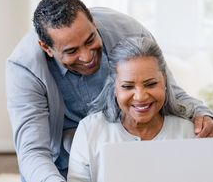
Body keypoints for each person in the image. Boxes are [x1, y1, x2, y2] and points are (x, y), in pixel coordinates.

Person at [6, 0, 213, 182]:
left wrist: (201, 114)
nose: (87, 57)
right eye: (72, 51)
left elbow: (167, 88)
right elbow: (33, 152)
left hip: (127, 147)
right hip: (58, 164)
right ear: (47, 48)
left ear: (93, 22)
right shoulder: (24, 69)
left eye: (90, 40)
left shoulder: (128, 31)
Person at [67, 37, 199, 182]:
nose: (140, 97)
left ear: (165, 82)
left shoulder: (188, 131)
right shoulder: (89, 130)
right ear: (114, 88)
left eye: (151, 84)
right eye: (127, 86)